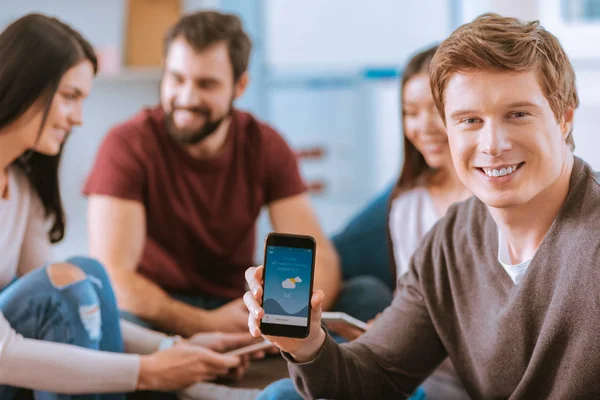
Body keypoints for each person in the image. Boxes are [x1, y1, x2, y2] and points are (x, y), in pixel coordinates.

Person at [244, 13, 597, 398]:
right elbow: (378, 372)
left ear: (564, 118)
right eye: (469, 120)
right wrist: (306, 343)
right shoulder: (451, 240)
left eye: (517, 114)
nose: (492, 144)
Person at [0, 13, 264, 400]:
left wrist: (169, 348)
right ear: (26, 87)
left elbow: (78, 307)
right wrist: (148, 372)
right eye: (70, 97)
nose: (78, 118)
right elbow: (5, 352)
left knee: (85, 277)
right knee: (77, 279)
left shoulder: (21, 188)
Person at [84, 10, 340, 337]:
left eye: (206, 84)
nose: (187, 98)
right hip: (156, 308)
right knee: (112, 325)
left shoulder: (265, 144)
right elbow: (114, 277)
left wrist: (279, 323)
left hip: (236, 302)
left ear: (240, 85)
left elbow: (320, 263)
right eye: (177, 78)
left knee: (363, 294)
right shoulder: (126, 145)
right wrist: (205, 324)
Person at [258, 46, 472, 400]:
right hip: (409, 374)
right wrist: (392, 329)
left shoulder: (494, 202)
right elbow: (415, 302)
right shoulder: (406, 204)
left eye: (434, 111)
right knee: (280, 394)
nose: (422, 126)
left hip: (447, 382)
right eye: (409, 113)